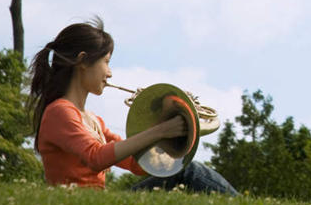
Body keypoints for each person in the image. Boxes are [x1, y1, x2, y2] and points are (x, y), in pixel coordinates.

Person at [27, 17, 237, 194]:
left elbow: (138, 165)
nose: (109, 72)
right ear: (83, 61)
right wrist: (161, 130)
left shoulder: (94, 120)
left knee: (182, 172)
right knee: (189, 172)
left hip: (100, 204)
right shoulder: (59, 112)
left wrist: (166, 120)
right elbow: (96, 157)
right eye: (106, 62)